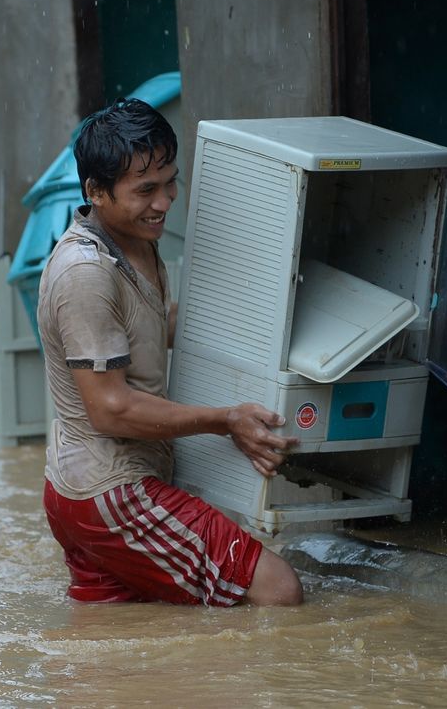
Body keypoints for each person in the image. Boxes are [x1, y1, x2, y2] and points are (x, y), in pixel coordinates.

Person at [37, 97, 304, 607]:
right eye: (145, 190)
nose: (164, 202)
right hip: (113, 492)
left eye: (170, 182)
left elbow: (152, 324)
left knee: (121, 645)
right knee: (279, 590)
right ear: (96, 192)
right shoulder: (86, 274)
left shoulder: (133, 238)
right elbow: (110, 407)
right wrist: (227, 419)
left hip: (79, 493)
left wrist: (268, 327)